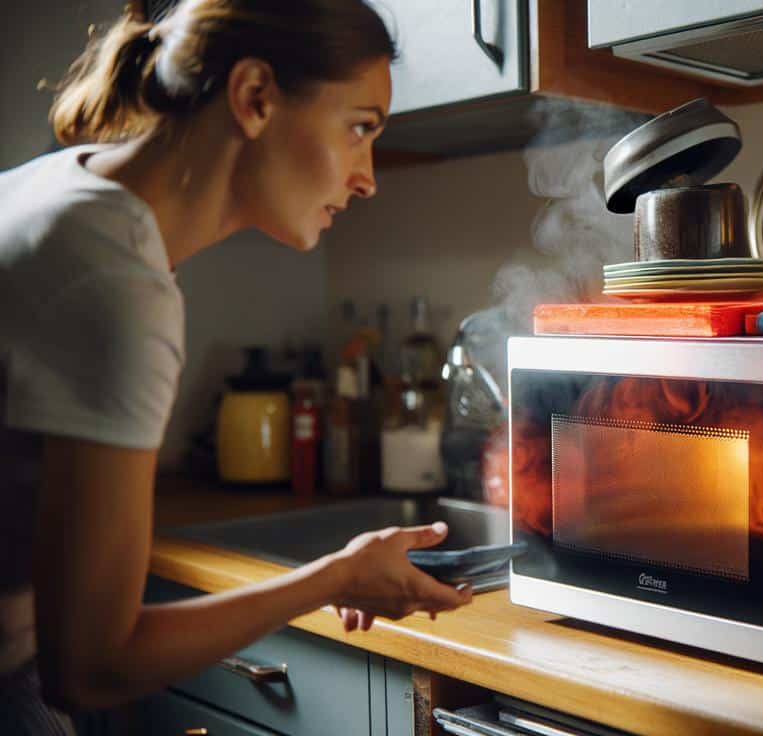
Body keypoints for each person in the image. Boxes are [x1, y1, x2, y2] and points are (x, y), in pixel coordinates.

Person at [0, 1, 473, 731]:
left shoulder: (54, 189)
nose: (367, 178)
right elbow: (91, 667)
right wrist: (334, 578)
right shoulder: (114, 277)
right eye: (359, 128)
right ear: (254, 97)